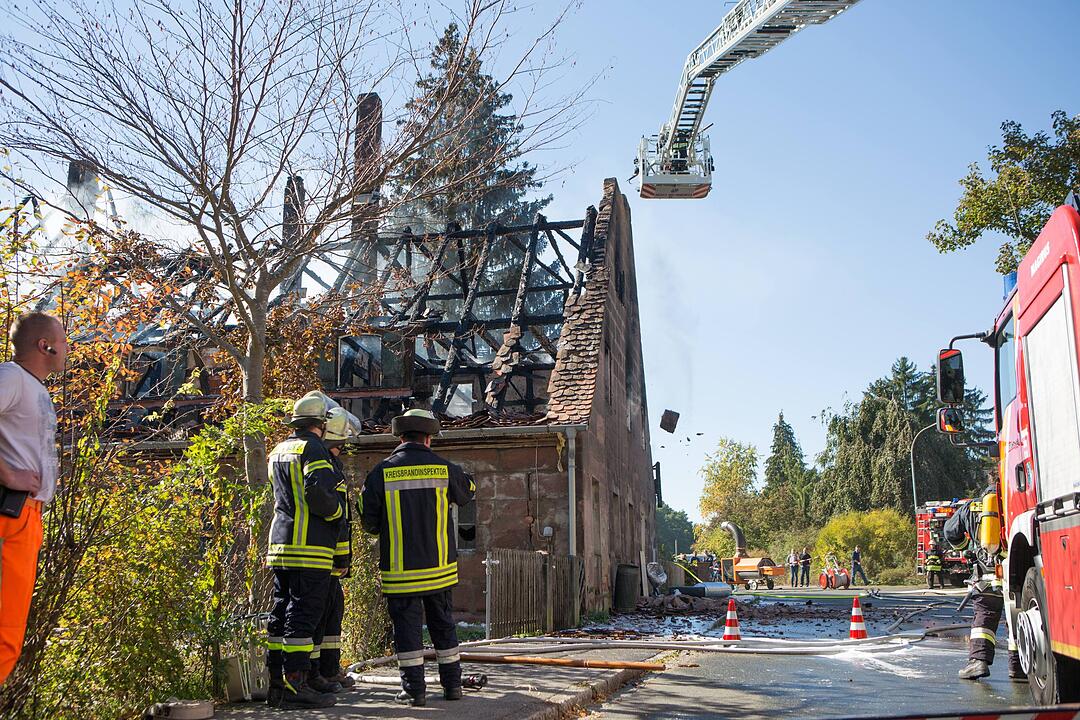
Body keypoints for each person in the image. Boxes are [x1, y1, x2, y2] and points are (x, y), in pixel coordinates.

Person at [361, 409, 476, 706]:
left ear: (400, 437)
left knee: (407, 632)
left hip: (401, 572)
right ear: (428, 439)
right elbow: (467, 492)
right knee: (443, 626)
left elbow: (369, 523)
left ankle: (414, 692)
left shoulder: (380, 472)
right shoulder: (444, 469)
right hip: (439, 570)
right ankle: (453, 687)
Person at [265, 392, 345, 709]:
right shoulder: (314, 449)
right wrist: (337, 512)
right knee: (303, 617)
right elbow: (319, 493)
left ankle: (275, 684)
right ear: (321, 424)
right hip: (309, 548)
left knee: (279, 614)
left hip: (280, 545)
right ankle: (295, 685)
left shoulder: (278, 449)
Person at [0, 312, 66, 685]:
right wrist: (8, 474)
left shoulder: (32, 385)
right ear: (46, 345)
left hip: (26, 518)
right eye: (65, 341)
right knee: (2, 635)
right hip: (9, 515)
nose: (69, 349)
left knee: (9, 636)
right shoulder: (11, 378)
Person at [944, 489, 1022, 681]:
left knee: (985, 616)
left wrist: (964, 547)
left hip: (987, 574)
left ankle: (978, 662)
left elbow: (949, 531)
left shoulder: (970, 507)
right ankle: (1018, 666)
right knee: (1018, 618)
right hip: (1016, 572)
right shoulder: (1013, 500)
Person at [311, 407, 360, 694]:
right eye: (342, 444)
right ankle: (318, 672)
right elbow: (337, 518)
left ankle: (328, 669)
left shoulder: (328, 465)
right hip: (324, 557)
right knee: (320, 616)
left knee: (332, 614)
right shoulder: (325, 467)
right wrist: (342, 557)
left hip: (326, 559)